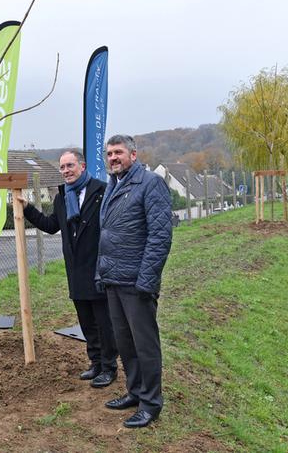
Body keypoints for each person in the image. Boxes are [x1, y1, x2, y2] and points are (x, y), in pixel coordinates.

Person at [16, 150, 118, 388]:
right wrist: (28, 208)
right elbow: (52, 226)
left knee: (104, 322)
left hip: (99, 268)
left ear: (82, 166)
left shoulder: (102, 191)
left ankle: (109, 367)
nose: (66, 171)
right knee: (86, 321)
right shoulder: (62, 197)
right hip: (76, 270)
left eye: (70, 165)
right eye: (62, 167)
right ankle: (95, 363)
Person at [96, 134, 173, 429]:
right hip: (114, 280)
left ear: (133, 155)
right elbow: (107, 236)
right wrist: (101, 273)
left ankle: (151, 404)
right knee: (125, 344)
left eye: (118, 153)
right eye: (110, 153)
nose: (113, 157)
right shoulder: (114, 185)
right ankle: (135, 392)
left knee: (145, 345)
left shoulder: (149, 184)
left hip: (136, 284)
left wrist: (147, 281)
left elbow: (160, 236)